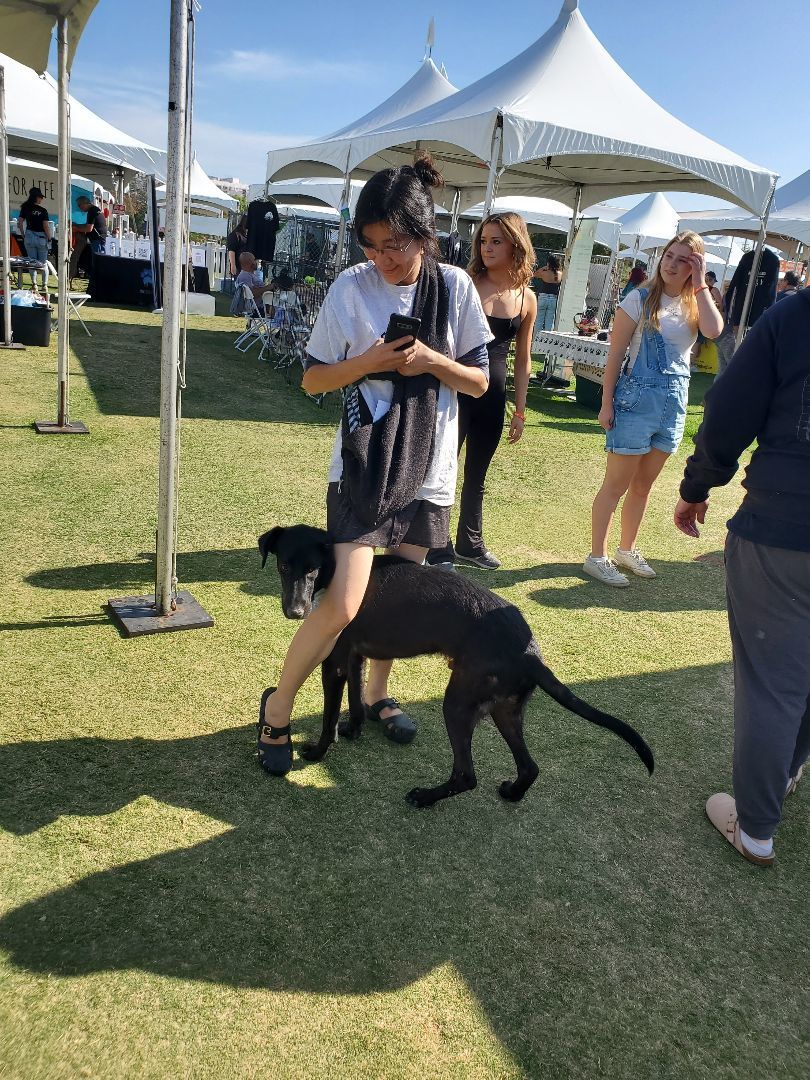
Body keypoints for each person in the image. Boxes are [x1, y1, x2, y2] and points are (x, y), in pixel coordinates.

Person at [256, 154, 491, 775]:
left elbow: (478, 382)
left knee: (398, 598)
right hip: (363, 466)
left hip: (429, 466)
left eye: (395, 245)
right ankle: (278, 708)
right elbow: (311, 379)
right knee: (342, 602)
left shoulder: (457, 288)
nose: (383, 258)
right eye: (372, 245)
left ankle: (376, 694)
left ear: (423, 232)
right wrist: (372, 361)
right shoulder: (351, 288)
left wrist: (432, 363)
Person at [674, 288, 810, 867]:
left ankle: (755, 825)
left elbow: (730, 407)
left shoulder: (796, 314)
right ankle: (774, 782)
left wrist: (697, 485)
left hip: (786, 521)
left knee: (772, 682)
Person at [584, 232, 724, 586]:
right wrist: (606, 403)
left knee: (643, 486)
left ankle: (626, 549)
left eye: (683, 260)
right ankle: (597, 556)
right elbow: (615, 354)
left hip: (673, 403)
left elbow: (714, 330)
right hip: (635, 401)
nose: (672, 265)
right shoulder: (639, 298)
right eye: (669, 256)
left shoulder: (695, 302)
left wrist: (702, 282)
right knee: (615, 485)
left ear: (695, 265)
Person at [427, 211, 537, 570]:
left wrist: (519, 411)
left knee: (477, 474)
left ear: (515, 244)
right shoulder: (466, 281)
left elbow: (523, 360)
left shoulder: (527, 298)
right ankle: (435, 544)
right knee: (442, 467)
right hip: (457, 386)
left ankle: (469, 544)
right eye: (483, 241)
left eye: (496, 241)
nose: (487, 248)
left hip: (494, 396)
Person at [715, 246, 780, 375]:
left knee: (729, 369)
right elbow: (734, 289)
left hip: (738, 326)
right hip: (738, 328)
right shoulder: (750, 259)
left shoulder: (771, 261)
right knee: (733, 368)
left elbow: (733, 290)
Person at [17, 187, 51, 291]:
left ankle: (34, 283)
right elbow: (45, 226)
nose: (42, 199)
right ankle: (44, 285)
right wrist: (49, 237)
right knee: (43, 262)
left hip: (29, 236)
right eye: (41, 197)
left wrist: (23, 234)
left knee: (32, 262)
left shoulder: (25, 208)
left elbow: (20, 223)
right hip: (41, 237)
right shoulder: (43, 210)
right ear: (36, 197)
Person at [532, 253, 562, 330]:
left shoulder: (544, 273)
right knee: (550, 321)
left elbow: (535, 274)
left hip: (543, 297)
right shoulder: (560, 274)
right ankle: (547, 340)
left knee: (538, 320)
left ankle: (535, 340)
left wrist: (545, 267)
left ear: (549, 263)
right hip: (553, 298)